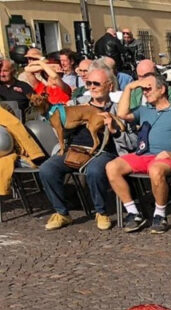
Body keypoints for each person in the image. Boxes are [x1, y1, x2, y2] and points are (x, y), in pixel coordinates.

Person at [109, 72, 171, 233]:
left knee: (155, 170)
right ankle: (133, 212)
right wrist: (130, 87)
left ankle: (160, 215)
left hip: (167, 158)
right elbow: (121, 114)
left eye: (149, 88)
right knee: (112, 166)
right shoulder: (144, 110)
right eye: (144, 89)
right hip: (143, 155)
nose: (145, 92)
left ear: (162, 89)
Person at [40, 63, 122, 232]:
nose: (92, 87)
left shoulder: (118, 108)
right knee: (47, 168)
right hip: (75, 149)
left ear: (110, 86)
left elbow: (128, 140)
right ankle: (62, 212)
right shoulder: (76, 103)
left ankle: (101, 212)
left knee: (95, 170)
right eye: (89, 83)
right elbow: (59, 129)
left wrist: (113, 128)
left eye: (96, 84)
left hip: (103, 152)